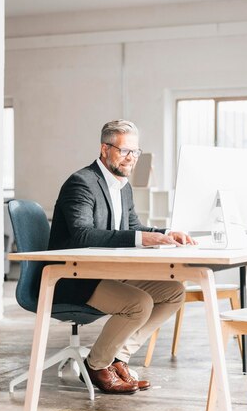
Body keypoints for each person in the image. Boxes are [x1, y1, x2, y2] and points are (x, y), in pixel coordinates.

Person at [49, 120, 195, 395]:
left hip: (105, 271)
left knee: (174, 291)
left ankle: (117, 358)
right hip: (73, 277)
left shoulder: (123, 186)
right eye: (124, 151)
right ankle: (96, 365)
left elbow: (133, 228)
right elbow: (82, 235)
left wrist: (165, 234)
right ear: (105, 149)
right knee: (139, 303)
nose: (131, 158)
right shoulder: (81, 183)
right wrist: (142, 239)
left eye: (135, 152)